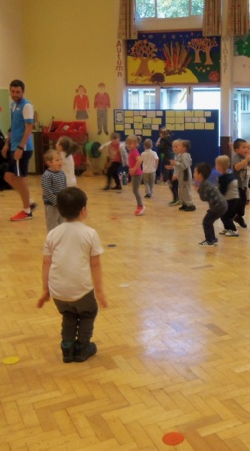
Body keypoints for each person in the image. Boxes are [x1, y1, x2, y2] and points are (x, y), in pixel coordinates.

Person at [37, 187, 108, 363]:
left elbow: (46, 263)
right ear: (83, 210)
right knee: (87, 313)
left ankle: (67, 349)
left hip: (58, 291)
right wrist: (99, 291)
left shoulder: (52, 234)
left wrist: (45, 290)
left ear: (60, 210)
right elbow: (95, 264)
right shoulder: (90, 233)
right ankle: (82, 348)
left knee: (68, 315)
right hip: (81, 290)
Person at [1, 79, 36, 222]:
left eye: (18, 92)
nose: (15, 94)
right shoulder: (13, 105)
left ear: (23, 92)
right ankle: (29, 201)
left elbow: (29, 128)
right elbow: (13, 127)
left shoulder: (26, 106)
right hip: (14, 146)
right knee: (8, 177)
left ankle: (27, 211)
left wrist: (20, 147)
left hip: (23, 148)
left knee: (20, 179)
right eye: (13, 91)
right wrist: (6, 144)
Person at [194, 162, 228, 246]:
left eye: (195, 172)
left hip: (218, 206)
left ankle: (209, 241)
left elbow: (204, 198)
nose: (193, 174)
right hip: (222, 205)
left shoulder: (204, 185)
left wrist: (198, 190)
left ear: (200, 175)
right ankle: (212, 238)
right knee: (209, 221)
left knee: (206, 222)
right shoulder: (206, 183)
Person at [232, 138, 250, 228]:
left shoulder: (244, 157)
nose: (247, 149)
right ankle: (233, 217)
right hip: (236, 185)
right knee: (237, 202)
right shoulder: (236, 157)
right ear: (236, 150)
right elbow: (236, 167)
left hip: (242, 185)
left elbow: (249, 164)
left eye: (248, 148)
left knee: (243, 201)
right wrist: (246, 160)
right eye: (244, 147)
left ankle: (239, 216)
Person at [41, 149, 67, 233]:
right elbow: (47, 190)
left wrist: (65, 199)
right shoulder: (47, 175)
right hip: (51, 204)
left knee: (62, 222)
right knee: (52, 224)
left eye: (60, 159)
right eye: (57, 160)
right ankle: (52, 239)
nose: (60, 162)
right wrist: (56, 201)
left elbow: (64, 187)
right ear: (49, 163)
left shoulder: (62, 173)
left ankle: (61, 238)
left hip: (61, 203)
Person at [215, 155, 240, 237]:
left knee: (226, 216)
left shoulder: (224, 178)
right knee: (223, 215)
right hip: (233, 198)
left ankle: (234, 230)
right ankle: (227, 228)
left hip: (230, 200)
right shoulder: (230, 174)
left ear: (219, 167)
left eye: (216, 165)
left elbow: (222, 191)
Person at [170, 139, 195, 212]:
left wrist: (175, 163)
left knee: (185, 190)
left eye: (179, 146)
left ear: (184, 148)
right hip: (181, 175)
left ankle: (190, 205)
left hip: (185, 176)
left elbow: (185, 166)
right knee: (180, 190)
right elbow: (179, 166)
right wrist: (174, 167)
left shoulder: (185, 155)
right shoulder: (180, 155)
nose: (177, 147)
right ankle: (184, 203)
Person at [125, 135, 145, 216]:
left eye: (130, 143)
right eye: (127, 143)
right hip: (135, 174)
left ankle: (140, 206)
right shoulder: (131, 151)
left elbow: (140, 160)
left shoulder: (134, 151)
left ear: (136, 144)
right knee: (134, 190)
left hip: (137, 174)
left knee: (135, 190)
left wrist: (134, 169)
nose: (128, 145)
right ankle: (139, 205)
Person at [165, 140, 180, 206]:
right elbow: (176, 166)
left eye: (176, 147)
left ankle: (178, 199)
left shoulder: (180, 156)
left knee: (175, 187)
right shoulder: (175, 155)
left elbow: (181, 166)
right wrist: (171, 167)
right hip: (175, 174)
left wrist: (177, 175)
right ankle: (175, 199)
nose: (174, 148)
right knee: (171, 186)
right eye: (173, 147)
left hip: (178, 175)